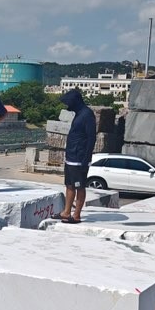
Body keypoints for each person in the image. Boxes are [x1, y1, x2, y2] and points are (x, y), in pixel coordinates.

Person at [53, 88, 96, 224]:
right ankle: (66, 212)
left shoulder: (87, 114)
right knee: (69, 185)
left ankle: (76, 215)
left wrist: (86, 158)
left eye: (69, 103)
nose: (67, 106)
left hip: (79, 159)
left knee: (79, 186)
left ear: (76, 101)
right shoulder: (78, 114)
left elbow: (91, 138)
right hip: (71, 158)